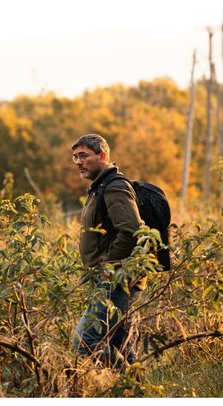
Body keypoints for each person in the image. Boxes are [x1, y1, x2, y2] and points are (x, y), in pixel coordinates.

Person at [71, 133, 146, 367]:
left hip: (116, 278)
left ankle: (126, 382)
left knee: (84, 341)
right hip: (111, 277)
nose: (78, 162)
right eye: (74, 157)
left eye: (83, 156)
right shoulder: (100, 187)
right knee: (119, 344)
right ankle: (134, 390)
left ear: (102, 156)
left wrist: (108, 267)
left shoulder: (114, 187)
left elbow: (132, 230)